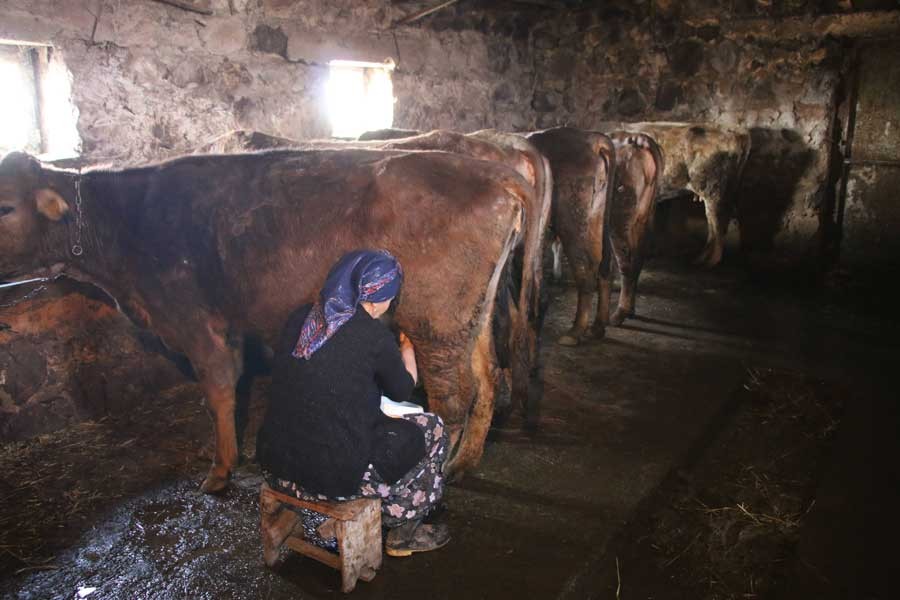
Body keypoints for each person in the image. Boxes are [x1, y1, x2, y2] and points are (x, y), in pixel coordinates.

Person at [256, 249, 450, 556]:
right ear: (378, 299)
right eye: (392, 296)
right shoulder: (373, 336)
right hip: (329, 478)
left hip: (277, 465)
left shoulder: (299, 317)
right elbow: (402, 390)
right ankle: (402, 526)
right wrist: (408, 351)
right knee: (433, 429)